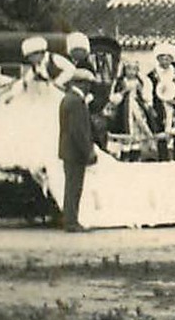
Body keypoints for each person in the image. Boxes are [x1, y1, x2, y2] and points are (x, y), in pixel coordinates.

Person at [57, 79, 97, 232]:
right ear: (83, 84)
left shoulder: (67, 99)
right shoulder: (77, 102)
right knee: (74, 188)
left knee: (70, 187)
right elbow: (79, 131)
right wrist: (88, 151)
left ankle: (70, 220)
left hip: (67, 150)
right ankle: (71, 222)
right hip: (75, 152)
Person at [145, 41, 175, 161]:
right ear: (158, 59)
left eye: (167, 58)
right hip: (158, 106)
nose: (165, 61)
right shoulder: (151, 75)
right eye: (162, 58)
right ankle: (163, 159)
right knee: (161, 133)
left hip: (173, 106)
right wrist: (150, 106)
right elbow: (148, 92)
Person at [105, 60, 156, 161]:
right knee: (125, 135)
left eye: (134, 69)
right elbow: (113, 98)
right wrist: (123, 92)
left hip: (137, 110)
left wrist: (143, 98)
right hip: (123, 111)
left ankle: (135, 157)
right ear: (124, 70)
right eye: (129, 69)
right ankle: (124, 157)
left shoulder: (140, 82)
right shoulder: (119, 82)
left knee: (136, 135)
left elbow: (145, 97)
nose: (131, 72)